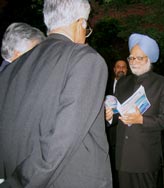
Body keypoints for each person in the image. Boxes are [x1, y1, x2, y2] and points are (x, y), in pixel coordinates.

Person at [0, 0, 112, 187]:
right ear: (80, 24)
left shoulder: (12, 69)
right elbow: (62, 139)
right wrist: (18, 182)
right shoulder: (85, 59)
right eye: (87, 28)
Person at [106, 33, 164, 188]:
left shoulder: (163, 83)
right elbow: (118, 112)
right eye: (131, 58)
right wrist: (110, 116)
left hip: (145, 157)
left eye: (139, 57)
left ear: (148, 59)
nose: (133, 61)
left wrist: (142, 120)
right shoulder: (123, 82)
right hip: (123, 156)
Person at [105, 59, 128, 188]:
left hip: (126, 131)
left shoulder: (132, 85)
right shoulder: (104, 84)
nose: (120, 69)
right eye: (118, 67)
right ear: (114, 69)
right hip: (108, 133)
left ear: (127, 70)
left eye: (123, 67)